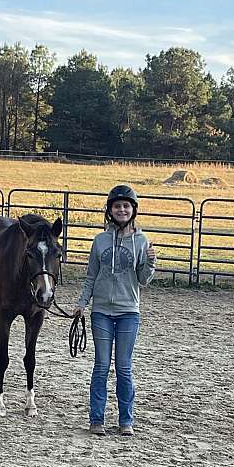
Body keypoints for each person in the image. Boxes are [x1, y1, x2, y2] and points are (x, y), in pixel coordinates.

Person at [73, 185, 156, 437]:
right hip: (101, 312)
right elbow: (91, 276)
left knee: (123, 367)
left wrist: (150, 263)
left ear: (133, 210)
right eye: (117, 206)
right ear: (110, 210)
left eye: (126, 206)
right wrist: (82, 302)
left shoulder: (141, 241)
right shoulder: (99, 241)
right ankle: (96, 419)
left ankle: (125, 421)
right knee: (100, 366)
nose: (122, 209)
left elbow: (143, 279)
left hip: (129, 311)